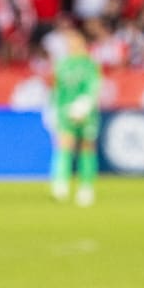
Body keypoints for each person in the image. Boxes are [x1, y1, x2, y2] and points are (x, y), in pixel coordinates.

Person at [49, 27, 102, 206]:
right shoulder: (62, 64)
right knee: (64, 144)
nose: (70, 44)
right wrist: (53, 110)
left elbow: (93, 87)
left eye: (74, 40)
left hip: (86, 112)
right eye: (68, 41)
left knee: (87, 147)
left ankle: (86, 187)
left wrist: (85, 105)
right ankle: (60, 184)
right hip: (65, 111)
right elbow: (57, 90)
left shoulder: (89, 64)